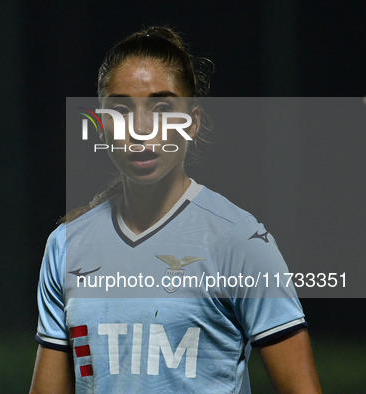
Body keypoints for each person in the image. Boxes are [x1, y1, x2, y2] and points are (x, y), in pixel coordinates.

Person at [30, 26, 321, 393]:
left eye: (163, 107)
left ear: (192, 123)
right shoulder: (65, 246)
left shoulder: (238, 240)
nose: (140, 127)